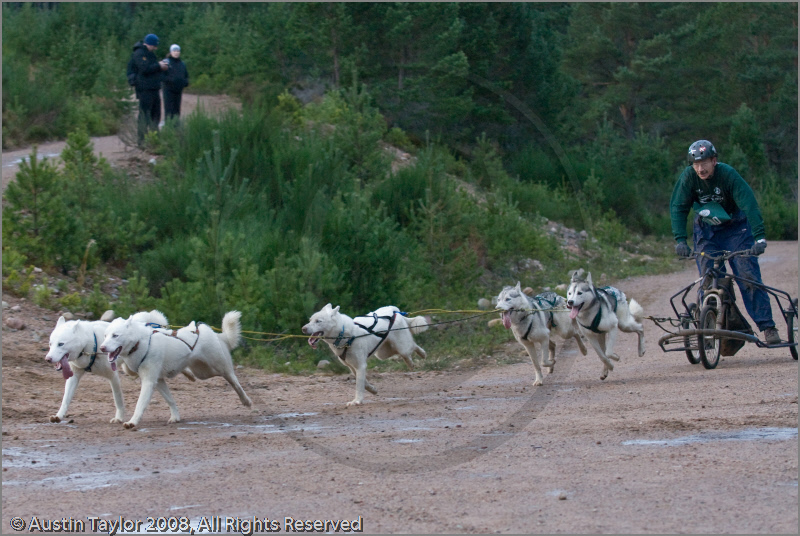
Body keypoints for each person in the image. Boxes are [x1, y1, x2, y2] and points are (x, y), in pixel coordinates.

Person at [670, 139, 781, 345]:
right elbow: (678, 207)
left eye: (704, 163)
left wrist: (759, 237)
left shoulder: (727, 175)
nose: (700, 168)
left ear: (714, 161)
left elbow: (749, 203)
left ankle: (768, 327)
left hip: (735, 228)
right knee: (709, 279)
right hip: (706, 230)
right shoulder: (688, 178)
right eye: (696, 164)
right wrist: (680, 240)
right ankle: (710, 328)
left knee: (747, 275)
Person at [128, 34, 168, 146]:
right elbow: (145, 69)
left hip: (154, 88)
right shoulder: (139, 53)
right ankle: (141, 141)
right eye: (154, 46)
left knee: (156, 115)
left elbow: (153, 69)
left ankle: (154, 139)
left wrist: (161, 68)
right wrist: (158, 66)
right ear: (149, 43)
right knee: (144, 115)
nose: (155, 48)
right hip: (144, 89)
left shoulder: (150, 54)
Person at [162, 44, 190, 121]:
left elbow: (186, 75)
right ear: (171, 52)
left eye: (178, 51)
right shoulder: (166, 62)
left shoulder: (182, 63)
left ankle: (177, 127)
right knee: (169, 110)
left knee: (177, 110)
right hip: (168, 89)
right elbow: (161, 76)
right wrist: (170, 80)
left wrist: (185, 82)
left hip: (178, 90)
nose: (176, 52)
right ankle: (168, 127)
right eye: (174, 51)